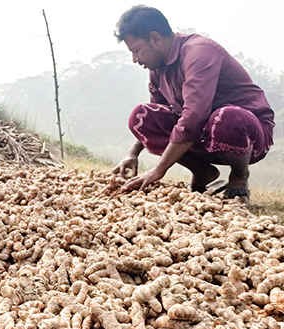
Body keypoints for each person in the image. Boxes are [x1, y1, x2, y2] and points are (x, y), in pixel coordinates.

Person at [111, 5, 275, 205]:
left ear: (154, 38)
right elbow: (161, 117)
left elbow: (194, 116)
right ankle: (203, 172)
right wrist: (133, 152)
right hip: (203, 135)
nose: (135, 59)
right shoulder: (157, 71)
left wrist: (158, 170)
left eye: (136, 51)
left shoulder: (199, 52)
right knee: (141, 116)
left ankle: (239, 177)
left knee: (226, 117)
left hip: (248, 135)